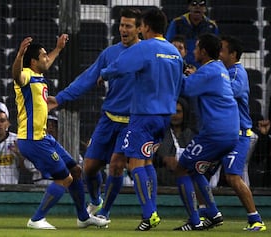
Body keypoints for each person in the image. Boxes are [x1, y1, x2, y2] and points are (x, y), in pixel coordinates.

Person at [47, 8, 142, 222]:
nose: (123, 29)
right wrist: (60, 98)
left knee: (117, 165)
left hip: (132, 121)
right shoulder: (110, 53)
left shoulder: (145, 53)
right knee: (89, 168)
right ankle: (97, 200)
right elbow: (88, 77)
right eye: (121, 25)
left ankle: (104, 212)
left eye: (128, 26)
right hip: (108, 118)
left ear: (139, 29)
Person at [12, 36, 110, 230]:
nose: (47, 59)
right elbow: (16, 75)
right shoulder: (26, 75)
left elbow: (48, 61)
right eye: (43, 56)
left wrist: (57, 48)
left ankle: (83, 217)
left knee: (75, 170)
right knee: (65, 178)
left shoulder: (39, 77)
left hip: (43, 137)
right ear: (33, 61)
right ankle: (36, 219)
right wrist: (19, 55)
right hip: (32, 140)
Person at [100, 8, 183, 231]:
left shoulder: (145, 47)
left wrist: (104, 73)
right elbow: (179, 82)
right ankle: (152, 209)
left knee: (135, 162)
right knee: (147, 162)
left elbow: (120, 65)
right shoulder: (174, 52)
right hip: (165, 117)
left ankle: (149, 215)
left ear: (145, 27)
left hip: (144, 115)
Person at [173, 33, 239, 231]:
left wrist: (174, 66)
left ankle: (195, 221)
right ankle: (212, 213)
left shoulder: (208, 71)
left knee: (182, 168)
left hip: (215, 133)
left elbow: (184, 88)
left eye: (196, 48)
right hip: (228, 132)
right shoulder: (217, 68)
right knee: (195, 170)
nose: (193, 51)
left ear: (202, 51)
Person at [212, 35, 266, 231]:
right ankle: (206, 214)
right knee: (196, 169)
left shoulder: (236, 73)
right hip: (224, 133)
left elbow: (227, 93)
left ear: (233, 54)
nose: (218, 54)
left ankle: (256, 219)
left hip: (239, 134)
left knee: (233, 177)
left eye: (222, 50)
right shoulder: (226, 72)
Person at [154, 97, 195, 186]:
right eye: (171, 112)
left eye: (178, 112)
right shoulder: (159, 134)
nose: (174, 115)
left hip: (188, 183)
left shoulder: (193, 136)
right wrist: (164, 159)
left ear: (185, 113)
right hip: (162, 184)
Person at [165, 0, 218, 68]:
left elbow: (215, 50)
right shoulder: (177, 23)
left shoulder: (212, 26)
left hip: (203, 67)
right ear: (189, 7)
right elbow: (169, 45)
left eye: (201, 5)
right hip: (181, 66)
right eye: (194, 4)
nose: (197, 7)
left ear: (205, 9)